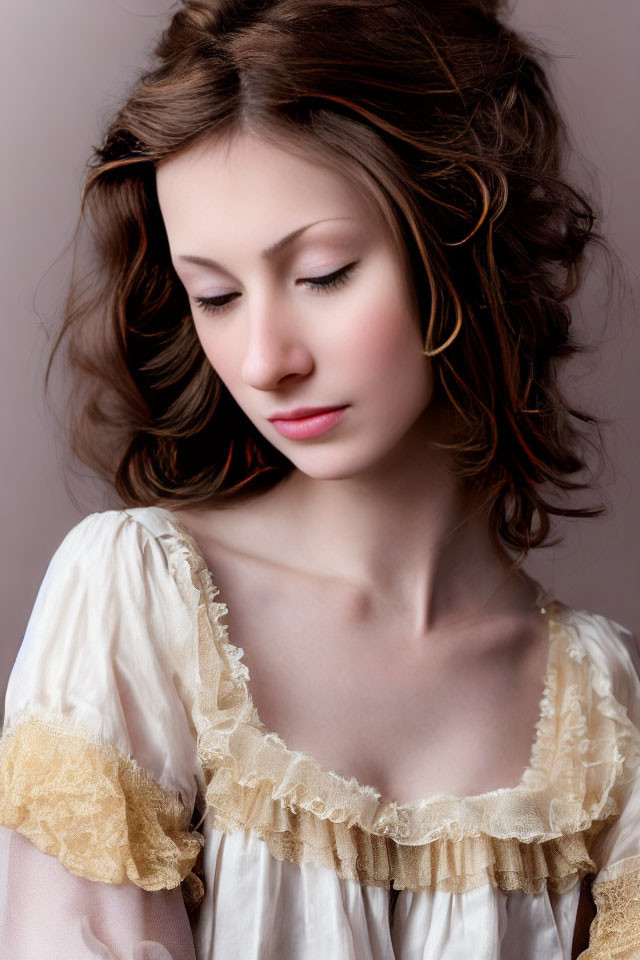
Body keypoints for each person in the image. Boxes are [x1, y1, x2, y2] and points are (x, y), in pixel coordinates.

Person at [0, 0, 638, 957]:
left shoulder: (610, 712)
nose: (264, 359)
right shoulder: (139, 596)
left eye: (325, 273)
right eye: (213, 294)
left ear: (456, 241)